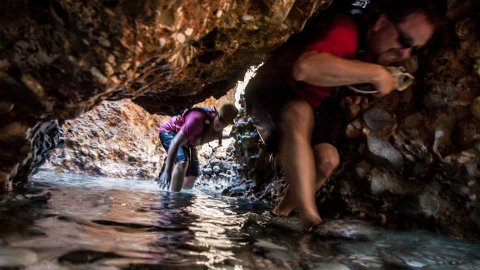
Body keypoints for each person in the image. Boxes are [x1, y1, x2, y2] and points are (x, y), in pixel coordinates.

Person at [245, 0, 438, 230]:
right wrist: (376, 74)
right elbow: (305, 68)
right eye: (404, 41)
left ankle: (281, 214)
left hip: (309, 104)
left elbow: (335, 78)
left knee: (327, 159)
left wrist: (355, 87)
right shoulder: (345, 30)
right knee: (299, 113)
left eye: (414, 49)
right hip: (271, 90)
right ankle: (311, 222)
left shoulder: (368, 52)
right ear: (381, 23)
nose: (405, 53)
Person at [158, 104, 238, 192]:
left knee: (191, 178)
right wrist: (168, 170)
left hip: (187, 141)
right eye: (221, 119)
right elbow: (175, 142)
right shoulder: (197, 119)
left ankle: (175, 194)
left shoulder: (216, 126)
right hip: (170, 132)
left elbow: (214, 136)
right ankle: (172, 199)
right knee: (182, 162)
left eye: (225, 123)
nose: (221, 124)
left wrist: (230, 135)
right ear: (217, 114)